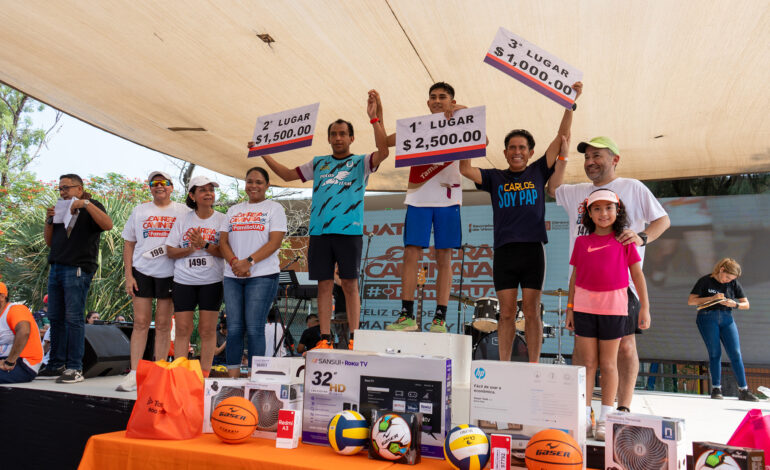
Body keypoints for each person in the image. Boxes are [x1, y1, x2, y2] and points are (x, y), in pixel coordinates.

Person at [459, 82, 582, 362]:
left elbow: (563, 134)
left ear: (530, 152)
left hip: (531, 251)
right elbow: (465, 168)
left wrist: (569, 104)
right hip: (504, 252)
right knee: (504, 313)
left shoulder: (539, 171)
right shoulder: (494, 178)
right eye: (512, 147)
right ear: (505, 153)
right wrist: (468, 129)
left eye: (522, 147)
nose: (517, 151)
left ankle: (534, 365)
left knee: (531, 310)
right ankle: (504, 365)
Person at [257, 90, 389, 350]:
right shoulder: (319, 163)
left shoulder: (360, 162)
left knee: (350, 284)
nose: (338, 138)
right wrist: (263, 152)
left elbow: (383, 151)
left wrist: (375, 118)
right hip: (319, 232)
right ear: (328, 138)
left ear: (351, 138)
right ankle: (325, 339)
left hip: (348, 231)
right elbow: (285, 174)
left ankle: (355, 337)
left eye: (343, 134)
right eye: (333, 134)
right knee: (324, 285)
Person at [552, 136, 670, 416]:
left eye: (597, 156)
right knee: (583, 355)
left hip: (622, 288)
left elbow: (663, 220)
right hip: (583, 290)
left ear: (615, 159)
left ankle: (622, 409)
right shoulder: (576, 191)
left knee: (625, 349)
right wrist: (564, 155)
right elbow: (552, 187)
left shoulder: (632, 187)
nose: (591, 162)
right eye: (587, 157)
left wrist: (642, 238)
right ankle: (583, 412)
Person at [565, 189, 650, 441]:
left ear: (618, 210)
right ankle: (584, 416)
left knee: (609, 364)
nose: (604, 213)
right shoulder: (582, 242)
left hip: (615, 308)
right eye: (598, 209)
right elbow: (574, 277)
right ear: (589, 213)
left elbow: (637, 276)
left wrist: (644, 307)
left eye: (609, 208)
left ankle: (606, 418)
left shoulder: (625, 242)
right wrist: (570, 308)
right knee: (588, 364)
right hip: (583, 308)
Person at [383, 82, 464, 333]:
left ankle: (440, 317)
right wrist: (376, 117)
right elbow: (386, 141)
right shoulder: (417, 126)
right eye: (433, 97)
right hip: (418, 196)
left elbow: (482, 137)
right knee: (411, 254)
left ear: (452, 101)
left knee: (444, 257)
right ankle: (406, 315)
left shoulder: (462, 123)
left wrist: (460, 111)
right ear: (427, 103)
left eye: (443, 97)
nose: (437, 101)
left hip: (448, 198)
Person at [118, 170, 189, 392]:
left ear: (171, 187)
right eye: (154, 183)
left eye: (164, 183)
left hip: (170, 273)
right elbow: (129, 243)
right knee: (140, 323)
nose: (159, 186)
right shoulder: (140, 210)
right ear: (150, 187)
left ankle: (159, 370)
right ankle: (134, 373)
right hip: (142, 271)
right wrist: (129, 275)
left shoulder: (183, 211)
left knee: (163, 325)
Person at [39, 174, 113, 383]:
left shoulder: (92, 205)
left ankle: (75, 367)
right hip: (56, 266)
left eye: (67, 188)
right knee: (55, 317)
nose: (62, 192)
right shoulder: (60, 207)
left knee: (73, 318)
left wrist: (86, 204)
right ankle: (55, 364)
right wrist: (49, 219)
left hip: (78, 267)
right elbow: (50, 242)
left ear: (79, 189)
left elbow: (108, 225)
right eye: (60, 189)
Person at [219, 167, 286, 375]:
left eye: (258, 182)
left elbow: (275, 242)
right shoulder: (233, 210)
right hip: (232, 276)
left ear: (267, 185)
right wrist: (234, 263)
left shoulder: (274, 208)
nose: (253, 186)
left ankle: (255, 377)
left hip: (262, 275)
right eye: (249, 181)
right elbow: (223, 241)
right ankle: (232, 377)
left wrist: (248, 262)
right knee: (235, 328)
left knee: (255, 327)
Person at [166, 175, 227, 376]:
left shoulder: (222, 219)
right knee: (183, 329)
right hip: (184, 281)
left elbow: (226, 252)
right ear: (192, 195)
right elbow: (170, 251)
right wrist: (191, 249)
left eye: (211, 189)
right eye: (202, 190)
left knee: (207, 330)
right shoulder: (183, 219)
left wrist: (205, 245)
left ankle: (205, 376)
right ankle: (181, 374)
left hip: (212, 282)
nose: (208, 193)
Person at [687, 258, 759, 402]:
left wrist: (735, 304)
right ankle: (716, 388)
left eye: (731, 279)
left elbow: (746, 304)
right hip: (707, 317)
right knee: (715, 353)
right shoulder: (705, 281)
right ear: (721, 270)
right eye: (727, 277)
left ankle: (744, 390)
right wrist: (712, 298)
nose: (728, 281)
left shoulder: (733, 283)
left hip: (727, 317)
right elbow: (691, 301)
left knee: (736, 353)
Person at [0, 282, 44, 383]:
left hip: (23, 363)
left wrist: (9, 362)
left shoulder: (15, 309)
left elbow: (24, 331)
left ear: (2, 297)